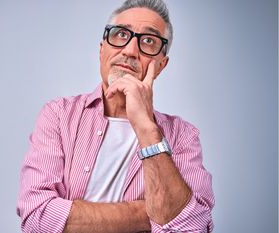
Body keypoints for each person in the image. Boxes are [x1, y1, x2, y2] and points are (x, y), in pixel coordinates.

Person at [16, 0, 215, 232]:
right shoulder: (59, 115)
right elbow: (37, 217)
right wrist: (149, 213)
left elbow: (193, 227)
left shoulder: (182, 136)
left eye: (148, 41)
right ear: (102, 49)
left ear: (161, 65)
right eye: (121, 34)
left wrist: (147, 129)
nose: (130, 51)